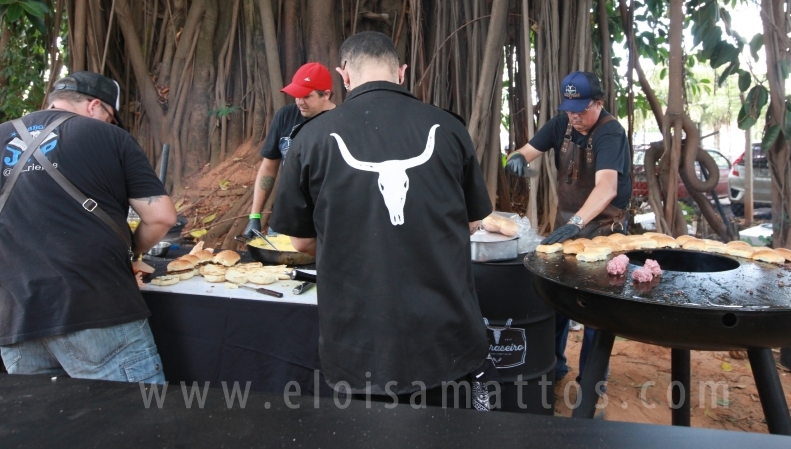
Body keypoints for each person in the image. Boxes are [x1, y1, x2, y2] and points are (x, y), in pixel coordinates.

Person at [270, 31, 496, 409]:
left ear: (343, 76)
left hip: (358, 348)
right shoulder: (449, 128)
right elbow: (472, 223)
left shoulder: (310, 141)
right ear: (402, 72)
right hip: (446, 341)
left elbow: (301, 243)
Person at [0, 71, 177, 382]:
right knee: (133, 425)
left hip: (16, 318)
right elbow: (162, 216)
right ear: (94, 106)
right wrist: (133, 252)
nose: (111, 125)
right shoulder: (109, 137)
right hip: (96, 309)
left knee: (48, 429)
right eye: (111, 117)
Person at [504, 71, 631, 382]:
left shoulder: (610, 134)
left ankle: (591, 380)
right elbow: (526, 151)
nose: (574, 116)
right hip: (567, 226)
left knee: (596, 309)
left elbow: (607, 188)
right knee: (557, 299)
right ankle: (553, 367)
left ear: (598, 103)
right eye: (570, 108)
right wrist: (518, 158)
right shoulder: (563, 123)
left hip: (603, 230)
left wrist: (577, 223)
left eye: (581, 109)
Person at [243, 63, 336, 237]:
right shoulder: (285, 116)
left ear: (326, 94)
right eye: (296, 96)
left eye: (307, 96)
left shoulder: (341, 122)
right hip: (287, 216)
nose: (300, 102)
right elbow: (268, 168)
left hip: (327, 219)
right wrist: (255, 216)